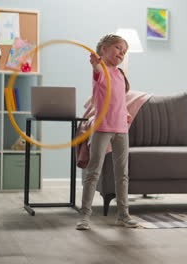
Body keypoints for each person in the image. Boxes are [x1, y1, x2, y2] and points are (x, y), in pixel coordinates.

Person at [76, 34, 138, 230]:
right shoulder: (101, 70)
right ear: (104, 48)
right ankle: (85, 216)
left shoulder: (120, 74)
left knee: (123, 174)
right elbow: (97, 72)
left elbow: (118, 100)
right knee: (93, 172)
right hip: (103, 128)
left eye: (124, 51)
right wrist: (95, 64)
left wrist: (125, 112)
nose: (122, 53)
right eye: (118, 48)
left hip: (121, 129)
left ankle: (123, 215)